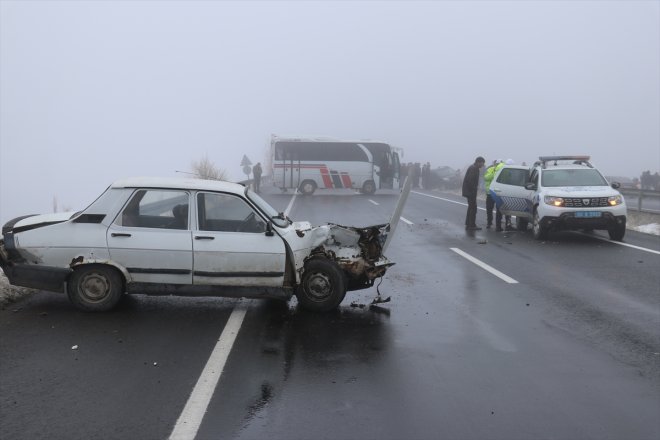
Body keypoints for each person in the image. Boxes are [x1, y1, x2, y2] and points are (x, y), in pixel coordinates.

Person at [462, 156, 486, 230]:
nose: (483, 165)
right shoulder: (474, 168)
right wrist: (473, 190)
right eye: (482, 163)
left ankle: (468, 223)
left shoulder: (474, 167)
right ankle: (471, 225)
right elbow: (470, 181)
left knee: (471, 207)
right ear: (478, 162)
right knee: (473, 208)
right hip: (470, 192)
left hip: (469, 191)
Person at [483, 159, 503, 229]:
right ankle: (489, 222)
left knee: (499, 210)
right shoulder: (490, 169)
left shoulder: (502, 170)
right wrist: (494, 173)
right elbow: (486, 178)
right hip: (490, 193)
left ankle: (498, 225)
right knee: (489, 209)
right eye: (496, 164)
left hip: (498, 193)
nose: (496, 165)